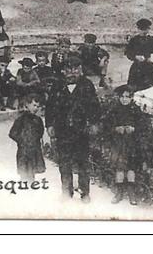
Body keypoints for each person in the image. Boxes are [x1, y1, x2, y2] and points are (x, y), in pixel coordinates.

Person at [45, 56, 100, 202]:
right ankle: (66, 191)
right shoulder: (57, 85)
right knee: (64, 162)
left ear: (81, 70)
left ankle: (85, 192)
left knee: (83, 162)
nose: (72, 73)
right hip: (63, 130)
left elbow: (94, 106)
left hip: (81, 130)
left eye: (76, 69)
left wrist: (94, 123)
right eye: (69, 70)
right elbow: (50, 106)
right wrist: (49, 124)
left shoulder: (87, 85)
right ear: (63, 71)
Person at [104, 85, 145, 205]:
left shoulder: (136, 110)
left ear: (132, 98)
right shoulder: (114, 110)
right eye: (122, 97)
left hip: (132, 143)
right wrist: (116, 129)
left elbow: (142, 127)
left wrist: (134, 128)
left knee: (131, 168)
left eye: (127, 97)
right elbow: (107, 126)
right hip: (118, 143)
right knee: (120, 168)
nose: (124, 99)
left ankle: (131, 192)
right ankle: (119, 192)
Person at [8, 97, 47, 181]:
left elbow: (40, 132)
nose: (36, 108)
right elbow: (12, 133)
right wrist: (22, 140)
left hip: (34, 150)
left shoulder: (38, 120)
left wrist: (35, 139)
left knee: (32, 172)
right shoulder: (21, 119)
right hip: (23, 151)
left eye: (37, 106)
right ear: (27, 105)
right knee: (24, 173)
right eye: (34, 105)